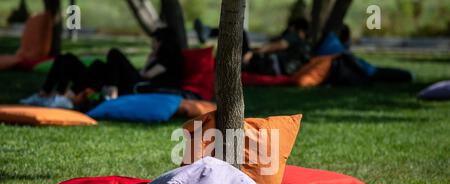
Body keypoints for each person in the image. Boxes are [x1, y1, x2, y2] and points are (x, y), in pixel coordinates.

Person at [21, 27, 183, 110]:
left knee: (114, 53)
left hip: (137, 87)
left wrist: (149, 60)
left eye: (154, 41)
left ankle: (108, 93)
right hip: (132, 82)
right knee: (68, 59)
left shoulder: (170, 58)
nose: (152, 44)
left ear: (162, 42)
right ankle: (48, 94)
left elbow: (147, 75)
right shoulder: (159, 57)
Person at [194, 18, 312, 76]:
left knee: (240, 31)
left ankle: (208, 32)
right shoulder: (305, 44)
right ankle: (208, 32)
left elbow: (279, 45)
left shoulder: (295, 36)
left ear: (295, 28)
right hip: (271, 67)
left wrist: (252, 52)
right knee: (235, 57)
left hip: (269, 65)